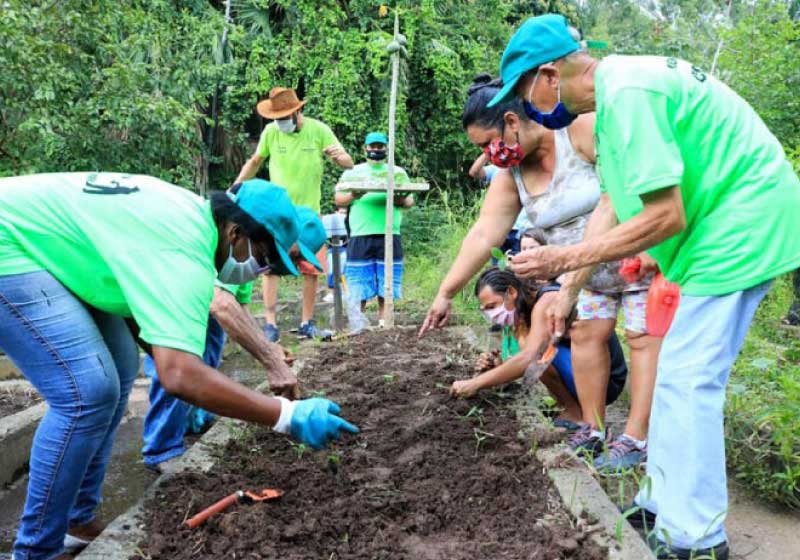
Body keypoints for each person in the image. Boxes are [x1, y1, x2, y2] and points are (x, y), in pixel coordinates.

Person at [492, 14, 800, 559]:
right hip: (721, 228)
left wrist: (564, 255)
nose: (531, 107)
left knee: (688, 379)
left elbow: (666, 214)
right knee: (678, 373)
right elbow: (614, 204)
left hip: (740, 227)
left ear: (547, 75)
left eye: (525, 93)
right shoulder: (616, 99)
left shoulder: (629, 93)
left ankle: (695, 537)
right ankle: (663, 499)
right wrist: (571, 285)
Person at [0, 173, 358, 560]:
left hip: (53, 255)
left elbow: (148, 327)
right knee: (87, 392)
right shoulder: (182, 249)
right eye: (264, 257)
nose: (261, 270)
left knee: (119, 368)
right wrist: (288, 416)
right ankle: (36, 551)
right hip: (12, 243)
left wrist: (193, 377)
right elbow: (178, 375)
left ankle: (75, 517)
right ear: (236, 232)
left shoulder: (189, 223)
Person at [419, 74, 659, 469]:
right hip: (584, 276)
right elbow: (482, 235)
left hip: (636, 260)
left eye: (487, 144)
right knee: (586, 335)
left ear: (512, 121)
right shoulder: (512, 176)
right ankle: (594, 429)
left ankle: (636, 437)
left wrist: (651, 240)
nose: (488, 156)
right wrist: (446, 292)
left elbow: (629, 179)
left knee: (641, 339)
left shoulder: (575, 131)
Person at [139, 203, 326, 475]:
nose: (294, 265)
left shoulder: (255, 257)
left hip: (209, 308)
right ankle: (162, 447)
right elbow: (221, 304)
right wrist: (270, 359)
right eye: (296, 256)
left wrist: (265, 344)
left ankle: (194, 418)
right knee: (178, 370)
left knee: (207, 360)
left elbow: (240, 308)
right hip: (187, 301)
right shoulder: (240, 247)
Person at [234, 87, 354, 341]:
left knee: (311, 268)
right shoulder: (271, 132)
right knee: (269, 268)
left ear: (298, 111)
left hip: (309, 215)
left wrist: (339, 157)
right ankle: (270, 325)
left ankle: (307, 323)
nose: (280, 123)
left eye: (284, 117)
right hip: (276, 216)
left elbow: (348, 163)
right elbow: (255, 161)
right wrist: (236, 186)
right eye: (276, 118)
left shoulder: (318, 130)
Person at [451, 267, 628, 432]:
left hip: (606, 381)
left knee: (539, 356)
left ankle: (575, 413)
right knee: (534, 353)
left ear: (511, 292)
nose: (491, 314)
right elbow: (526, 368)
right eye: (486, 310)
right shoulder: (521, 313)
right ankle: (571, 408)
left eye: (492, 306)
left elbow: (530, 358)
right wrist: (497, 366)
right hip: (580, 374)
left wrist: (475, 383)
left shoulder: (547, 300)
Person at [334, 132, 414, 327]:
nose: (376, 150)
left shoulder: (397, 172)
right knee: (359, 278)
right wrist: (355, 194)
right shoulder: (353, 172)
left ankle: (384, 321)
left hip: (389, 232)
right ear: (365, 149)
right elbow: (338, 199)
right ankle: (358, 322)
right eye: (373, 147)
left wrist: (399, 198)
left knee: (387, 278)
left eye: (380, 147)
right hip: (361, 232)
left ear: (386, 149)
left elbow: (409, 201)